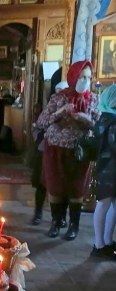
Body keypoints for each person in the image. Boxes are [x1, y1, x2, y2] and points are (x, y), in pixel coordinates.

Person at [36, 61, 100, 240]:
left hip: (80, 151)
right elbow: (41, 122)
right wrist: (60, 112)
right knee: (56, 186)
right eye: (82, 77)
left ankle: (74, 226)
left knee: (77, 187)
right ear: (73, 76)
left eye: (88, 77)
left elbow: (99, 126)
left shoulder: (94, 99)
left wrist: (85, 119)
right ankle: (56, 223)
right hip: (55, 148)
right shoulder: (59, 98)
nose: (85, 81)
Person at [31, 80, 69, 225]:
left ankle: (61, 217)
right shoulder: (49, 109)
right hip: (45, 149)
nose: (59, 96)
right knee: (41, 183)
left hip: (62, 151)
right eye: (57, 93)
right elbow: (38, 126)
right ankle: (38, 213)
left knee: (62, 184)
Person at [91, 85, 116, 257]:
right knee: (105, 204)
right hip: (110, 170)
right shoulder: (112, 121)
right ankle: (100, 244)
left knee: (109, 205)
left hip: (106, 168)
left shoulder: (104, 118)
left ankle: (106, 241)